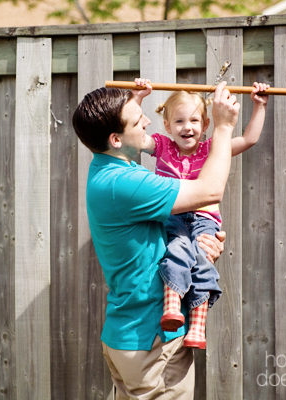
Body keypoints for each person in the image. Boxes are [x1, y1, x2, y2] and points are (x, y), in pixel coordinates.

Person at [72, 81, 238, 399]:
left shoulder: (107, 168)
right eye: (138, 121)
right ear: (116, 139)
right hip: (150, 339)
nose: (147, 121)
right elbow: (210, 191)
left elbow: (160, 234)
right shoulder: (125, 183)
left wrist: (197, 249)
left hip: (129, 333)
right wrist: (224, 126)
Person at [134, 78, 270, 350]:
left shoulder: (212, 149)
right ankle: (172, 306)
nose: (187, 127)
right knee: (178, 248)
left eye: (195, 121)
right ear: (167, 126)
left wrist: (260, 106)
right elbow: (136, 137)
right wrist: (137, 99)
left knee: (202, 259)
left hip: (205, 219)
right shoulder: (163, 146)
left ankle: (197, 326)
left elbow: (250, 138)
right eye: (180, 121)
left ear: (206, 125)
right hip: (173, 217)